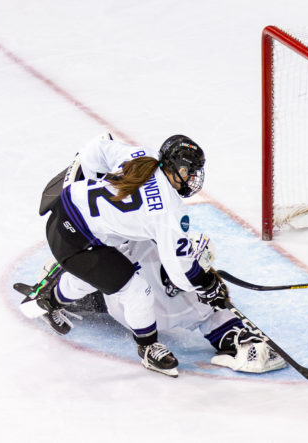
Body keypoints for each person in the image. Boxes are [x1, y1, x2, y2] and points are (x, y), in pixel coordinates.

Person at [23, 133, 285, 376]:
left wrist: (90, 182)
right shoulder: (168, 212)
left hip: (65, 207)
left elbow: (96, 148)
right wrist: (207, 284)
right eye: (190, 172)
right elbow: (180, 270)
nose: (194, 179)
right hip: (76, 240)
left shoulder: (143, 157)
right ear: (178, 169)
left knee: (100, 273)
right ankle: (148, 348)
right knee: (136, 289)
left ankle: (50, 298)